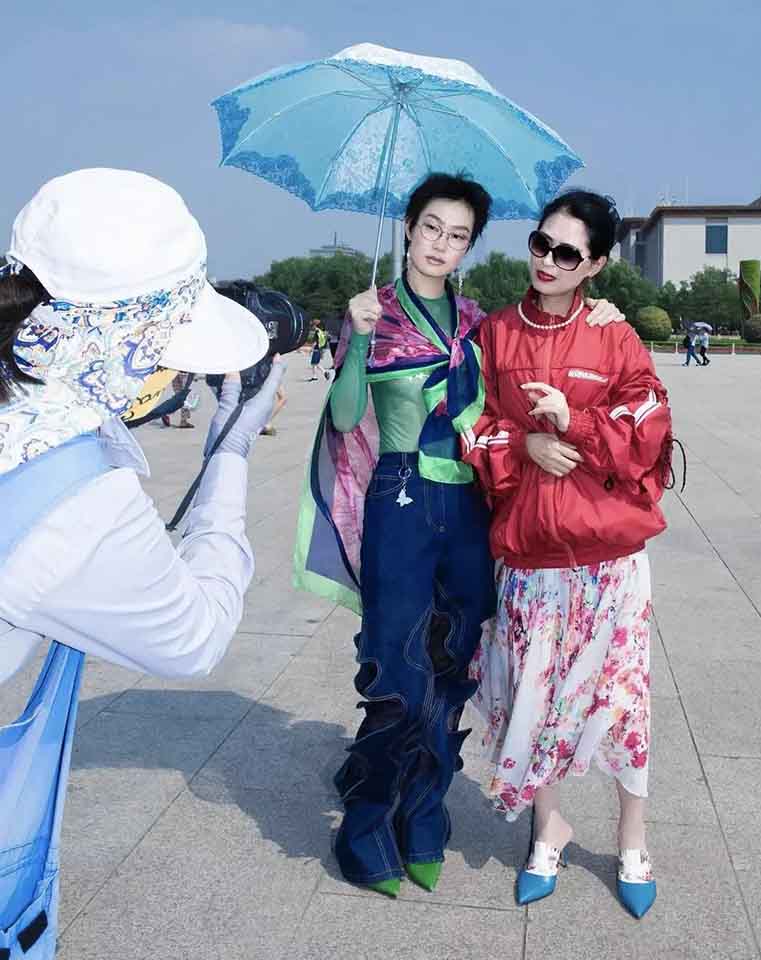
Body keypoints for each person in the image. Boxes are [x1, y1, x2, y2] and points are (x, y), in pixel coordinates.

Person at [293, 173, 625, 898]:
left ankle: (424, 813)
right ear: (408, 227)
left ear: (469, 246)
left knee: (455, 666)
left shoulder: (479, 320)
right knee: (395, 669)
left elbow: (541, 330)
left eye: (459, 235)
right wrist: (356, 342)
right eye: (432, 227)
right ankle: (367, 819)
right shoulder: (373, 311)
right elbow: (348, 420)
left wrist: (595, 307)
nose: (442, 244)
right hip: (400, 498)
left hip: (468, 510)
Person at [0, 169, 286, 954]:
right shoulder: (72, 493)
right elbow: (192, 638)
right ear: (123, 339)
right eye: (166, 348)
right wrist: (229, 449)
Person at [463, 190, 671, 919]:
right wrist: (523, 443)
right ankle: (547, 827)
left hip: (609, 563)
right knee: (532, 697)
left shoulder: (614, 338)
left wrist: (575, 422)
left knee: (622, 704)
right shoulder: (493, 335)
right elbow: (469, 429)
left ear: (598, 265)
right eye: (540, 244)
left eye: (567, 254)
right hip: (529, 561)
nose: (547, 262)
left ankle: (633, 838)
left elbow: (650, 424)